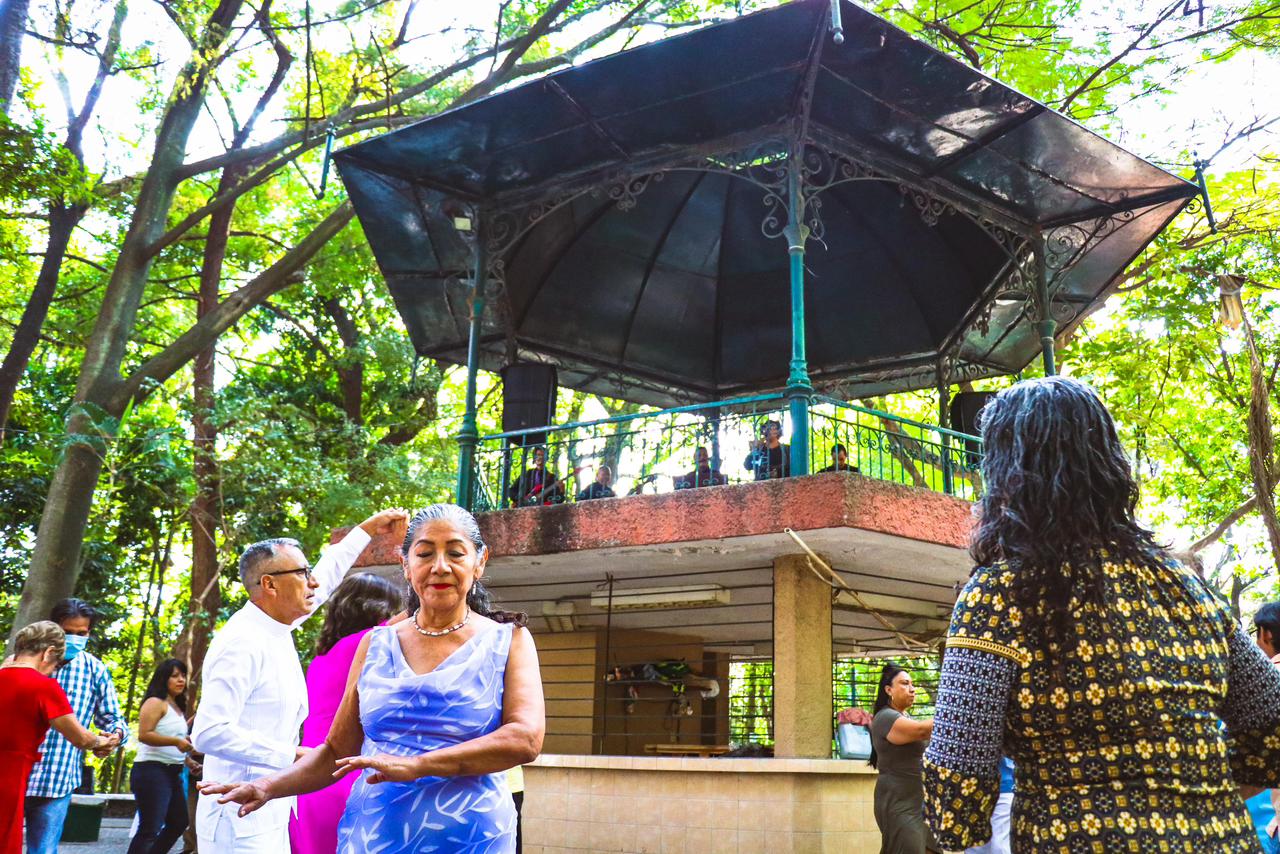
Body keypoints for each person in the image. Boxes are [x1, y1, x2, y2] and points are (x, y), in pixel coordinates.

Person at [922, 376, 1280, 852]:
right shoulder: (1184, 587)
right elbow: (1273, 723)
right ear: (1109, 464)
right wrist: (1190, 781)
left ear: (1005, 473)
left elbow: (956, 789)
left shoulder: (999, 595)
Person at [200, 503, 545, 853]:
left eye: (455, 553)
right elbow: (337, 751)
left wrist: (418, 765)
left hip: (471, 839)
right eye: (424, 554)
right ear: (406, 565)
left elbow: (525, 739)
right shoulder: (375, 643)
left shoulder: (507, 640)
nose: (440, 566)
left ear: (479, 562)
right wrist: (267, 786)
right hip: (374, 836)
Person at [191, 509, 406, 853]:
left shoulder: (275, 627)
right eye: (303, 574)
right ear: (270, 584)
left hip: (273, 808)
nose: (314, 582)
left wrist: (367, 529)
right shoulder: (242, 642)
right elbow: (208, 731)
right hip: (236, 817)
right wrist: (294, 755)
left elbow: (328, 574)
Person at [290, 573, 405, 854]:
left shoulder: (321, 659)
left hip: (308, 782)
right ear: (379, 608)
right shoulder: (370, 640)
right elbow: (418, 615)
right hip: (348, 777)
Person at [1, 622, 120, 854]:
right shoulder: (44, 687)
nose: (53, 669)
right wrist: (104, 741)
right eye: (56, 664)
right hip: (10, 776)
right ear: (48, 653)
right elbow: (81, 738)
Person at [26, 597, 127, 854]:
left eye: (81, 633)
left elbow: (113, 718)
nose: (73, 639)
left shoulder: (94, 669)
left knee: (43, 850)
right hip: (14, 774)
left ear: (89, 633)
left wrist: (114, 737)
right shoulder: (25, 664)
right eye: (67, 632)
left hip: (57, 777)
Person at [869, 663, 936, 854]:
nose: (912, 689)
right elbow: (921, 731)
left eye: (912, 684)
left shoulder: (906, 716)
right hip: (899, 802)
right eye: (905, 684)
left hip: (921, 802)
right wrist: (957, 713)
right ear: (888, 690)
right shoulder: (885, 717)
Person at [128, 659, 192, 854]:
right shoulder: (155, 702)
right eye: (175, 676)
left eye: (183, 676)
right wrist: (176, 742)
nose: (181, 680)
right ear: (163, 679)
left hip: (173, 771)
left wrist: (188, 761)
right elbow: (144, 734)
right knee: (150, 828)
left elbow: (174, 741)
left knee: (179, 821)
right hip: (152, 770)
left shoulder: (177, 706)